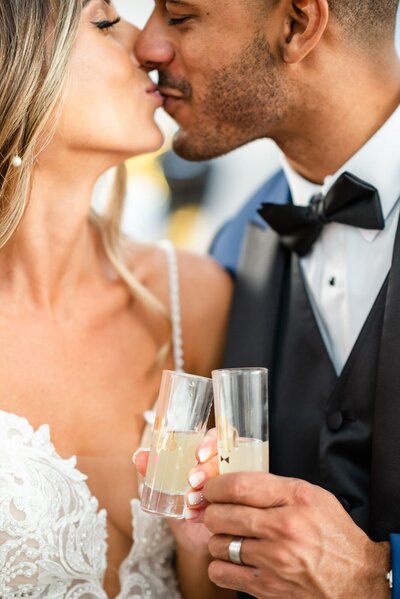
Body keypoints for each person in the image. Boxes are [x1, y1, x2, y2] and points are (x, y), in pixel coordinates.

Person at [133, 0, 400, 597]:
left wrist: (379, 578)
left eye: (179, 16)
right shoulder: (232, 246)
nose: (146, 47)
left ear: (297, 25)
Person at [0, 1, 234, 598]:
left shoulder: (196, 300)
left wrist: (198, 547)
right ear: (17, 66)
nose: (146, 46)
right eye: (105, 22)